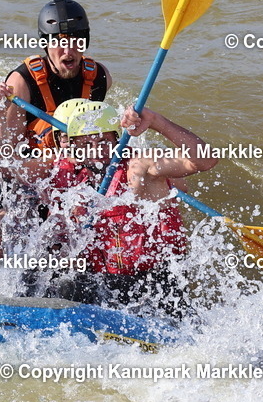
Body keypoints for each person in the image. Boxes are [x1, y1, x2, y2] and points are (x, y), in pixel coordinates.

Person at [21, 101, 218, 316]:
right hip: (99, 281)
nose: (95, 150)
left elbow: (204, 161)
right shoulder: (72, 172)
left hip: (151, 282)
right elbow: (7, 169)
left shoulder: (139, 167)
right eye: (86, 143)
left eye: (104, 141)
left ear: (117, 140)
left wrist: (156, 122)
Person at [0, 0, 113, 255]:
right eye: (59, 42)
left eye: (76, 40)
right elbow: (4, 157)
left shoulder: (100, 78)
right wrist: (0, 115)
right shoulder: (22, 82)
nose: (68, 51)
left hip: (72, 172)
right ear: (46, 44)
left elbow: (102, 141)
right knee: (4, 225)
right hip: (25, 172)